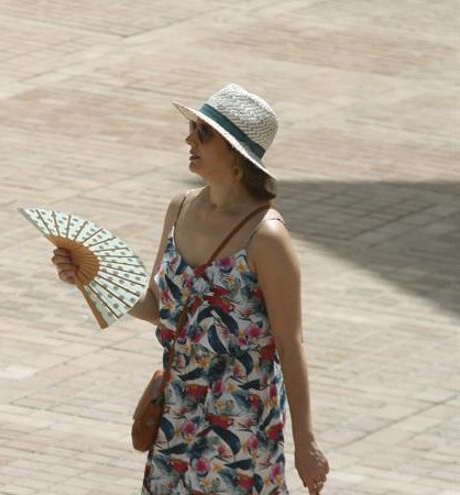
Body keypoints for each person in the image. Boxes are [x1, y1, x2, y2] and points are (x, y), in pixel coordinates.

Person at [51, 84, 329, 494]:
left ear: (236, 154)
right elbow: (159, 307)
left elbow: (291, 344)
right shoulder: (180, 207)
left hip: (242, 423)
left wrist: (306, 444)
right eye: (192, 128)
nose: (188, 139)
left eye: (203, 133)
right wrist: (89, 278)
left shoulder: (266, 237)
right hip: (178, 409)